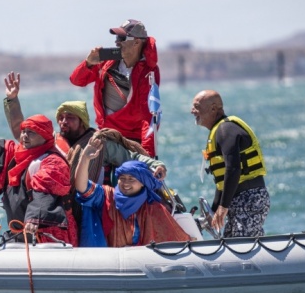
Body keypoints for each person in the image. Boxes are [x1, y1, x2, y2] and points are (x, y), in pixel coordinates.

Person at [2, 72, 167, 246]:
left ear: (82, 122)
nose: (64, 121)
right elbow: (21, 132)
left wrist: (156, 165)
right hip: (60, 209)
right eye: (61, 117)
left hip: (90, 205)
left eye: (70, 118)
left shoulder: (99, 143)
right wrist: (12, 100)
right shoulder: (52, 142)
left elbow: (131, 156)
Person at [0, 106, 78, 246]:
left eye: (31, 132)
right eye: (24, 131)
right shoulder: (17, 153)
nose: (24, 135)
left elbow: (44, 195)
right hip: (20, 233)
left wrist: (33, 219)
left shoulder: (54, 162)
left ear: (44, 136)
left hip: (47, 235)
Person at [74, 137, 190, 247]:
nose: (126, 183)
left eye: (132, 179)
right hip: (108, 260)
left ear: (142, 183)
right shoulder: (106, 195)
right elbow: (82, 188)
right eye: (122, 178)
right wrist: (85, 158)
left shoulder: (153, 207)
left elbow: (175, 241)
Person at [70, 19, 160, 158]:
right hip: (104, 133)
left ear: (136, 42)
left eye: (122, 38)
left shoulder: (148, 72)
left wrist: (146, 155)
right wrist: (88, 63)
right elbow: (77, 81)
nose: (117, 42)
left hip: (131, 140)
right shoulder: (106, 62)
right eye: (117, 38)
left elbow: (149, 116)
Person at [190, 90, 270, 238]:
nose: (192, 111)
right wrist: (214, 211)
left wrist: (223, 207)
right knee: (230, 244)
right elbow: (222, 183)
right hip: (237, 200)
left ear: (213, 108)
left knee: (243, 248)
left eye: (196, 106)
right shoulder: (217, 131)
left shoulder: (226, 129)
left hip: (248, 198)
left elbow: (233, 168)